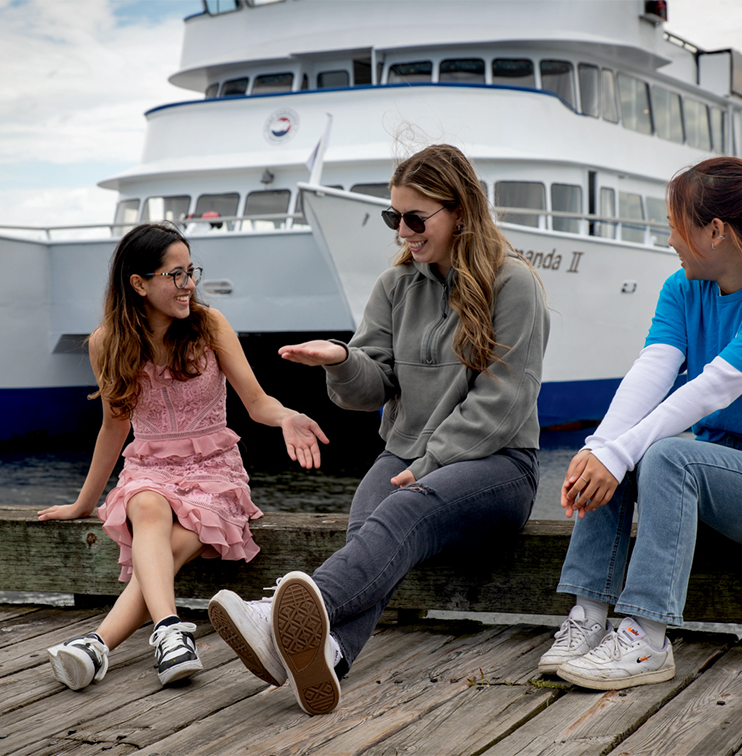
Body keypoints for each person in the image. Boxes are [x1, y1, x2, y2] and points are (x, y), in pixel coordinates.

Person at [207, 144, 550, 715]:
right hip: (409, 455)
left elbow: (504, 401)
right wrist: (340, 360)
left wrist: (433, 461)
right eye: (395, 218)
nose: (403, 233)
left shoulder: (513, 284)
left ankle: (272, 618)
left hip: (498, 466)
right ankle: (332, 651)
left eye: (416, 219)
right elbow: (370, 390)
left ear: (460, 211)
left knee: (400, 512)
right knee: (369, 520)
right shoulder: (396, 288)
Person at [539, 153, 742, 691]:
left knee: (662, 451)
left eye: (676, 227)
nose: (670, 240)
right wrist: (600, 447)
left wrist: (620, 450)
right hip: (723, 474)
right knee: (622, 450)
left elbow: (710, 390)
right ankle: (589, 615)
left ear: (716, 231)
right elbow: (651, 373)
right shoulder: (682, 288)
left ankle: (648, 639)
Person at [37, 222, 328, 691]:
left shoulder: (209, 325)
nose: (189, 283)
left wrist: (287, 416)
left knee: (172, 542)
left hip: (214, 472)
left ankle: (96, 644)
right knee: (148, 505)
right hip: (148, 470)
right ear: (139, 283)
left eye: (190, 271)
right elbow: (115, 426)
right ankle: (169, 634)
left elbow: (256, 402)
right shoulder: (106, 342)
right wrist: (83, 502)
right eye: (176, 274)